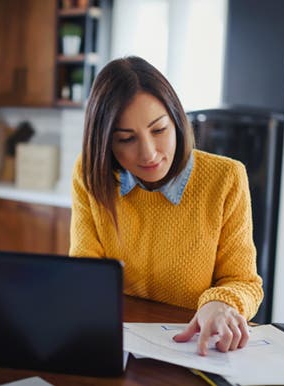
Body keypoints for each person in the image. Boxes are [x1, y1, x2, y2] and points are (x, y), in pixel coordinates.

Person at [69, 56, 263, 356]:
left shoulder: (226, 178)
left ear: (177, 120)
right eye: (126, 139)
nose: (148, 153)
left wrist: (221, 303)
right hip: (117, 345)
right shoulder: (91, 175)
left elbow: (244, 282)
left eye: (158, 130)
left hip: (196, 350)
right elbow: (85, 273)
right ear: (106, 143)